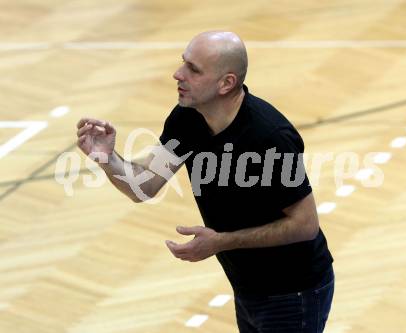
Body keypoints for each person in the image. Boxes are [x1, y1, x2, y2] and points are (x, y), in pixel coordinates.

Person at [76, 31, 334, 333]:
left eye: (193, 69)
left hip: (294, 291)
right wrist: (107, 158)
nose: (178, 74)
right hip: (248, 286)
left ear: (226, 83)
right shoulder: (188, 118)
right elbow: (144, 185)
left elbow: (305, 224)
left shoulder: (269, 138)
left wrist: (220, 242)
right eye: (183, 63)